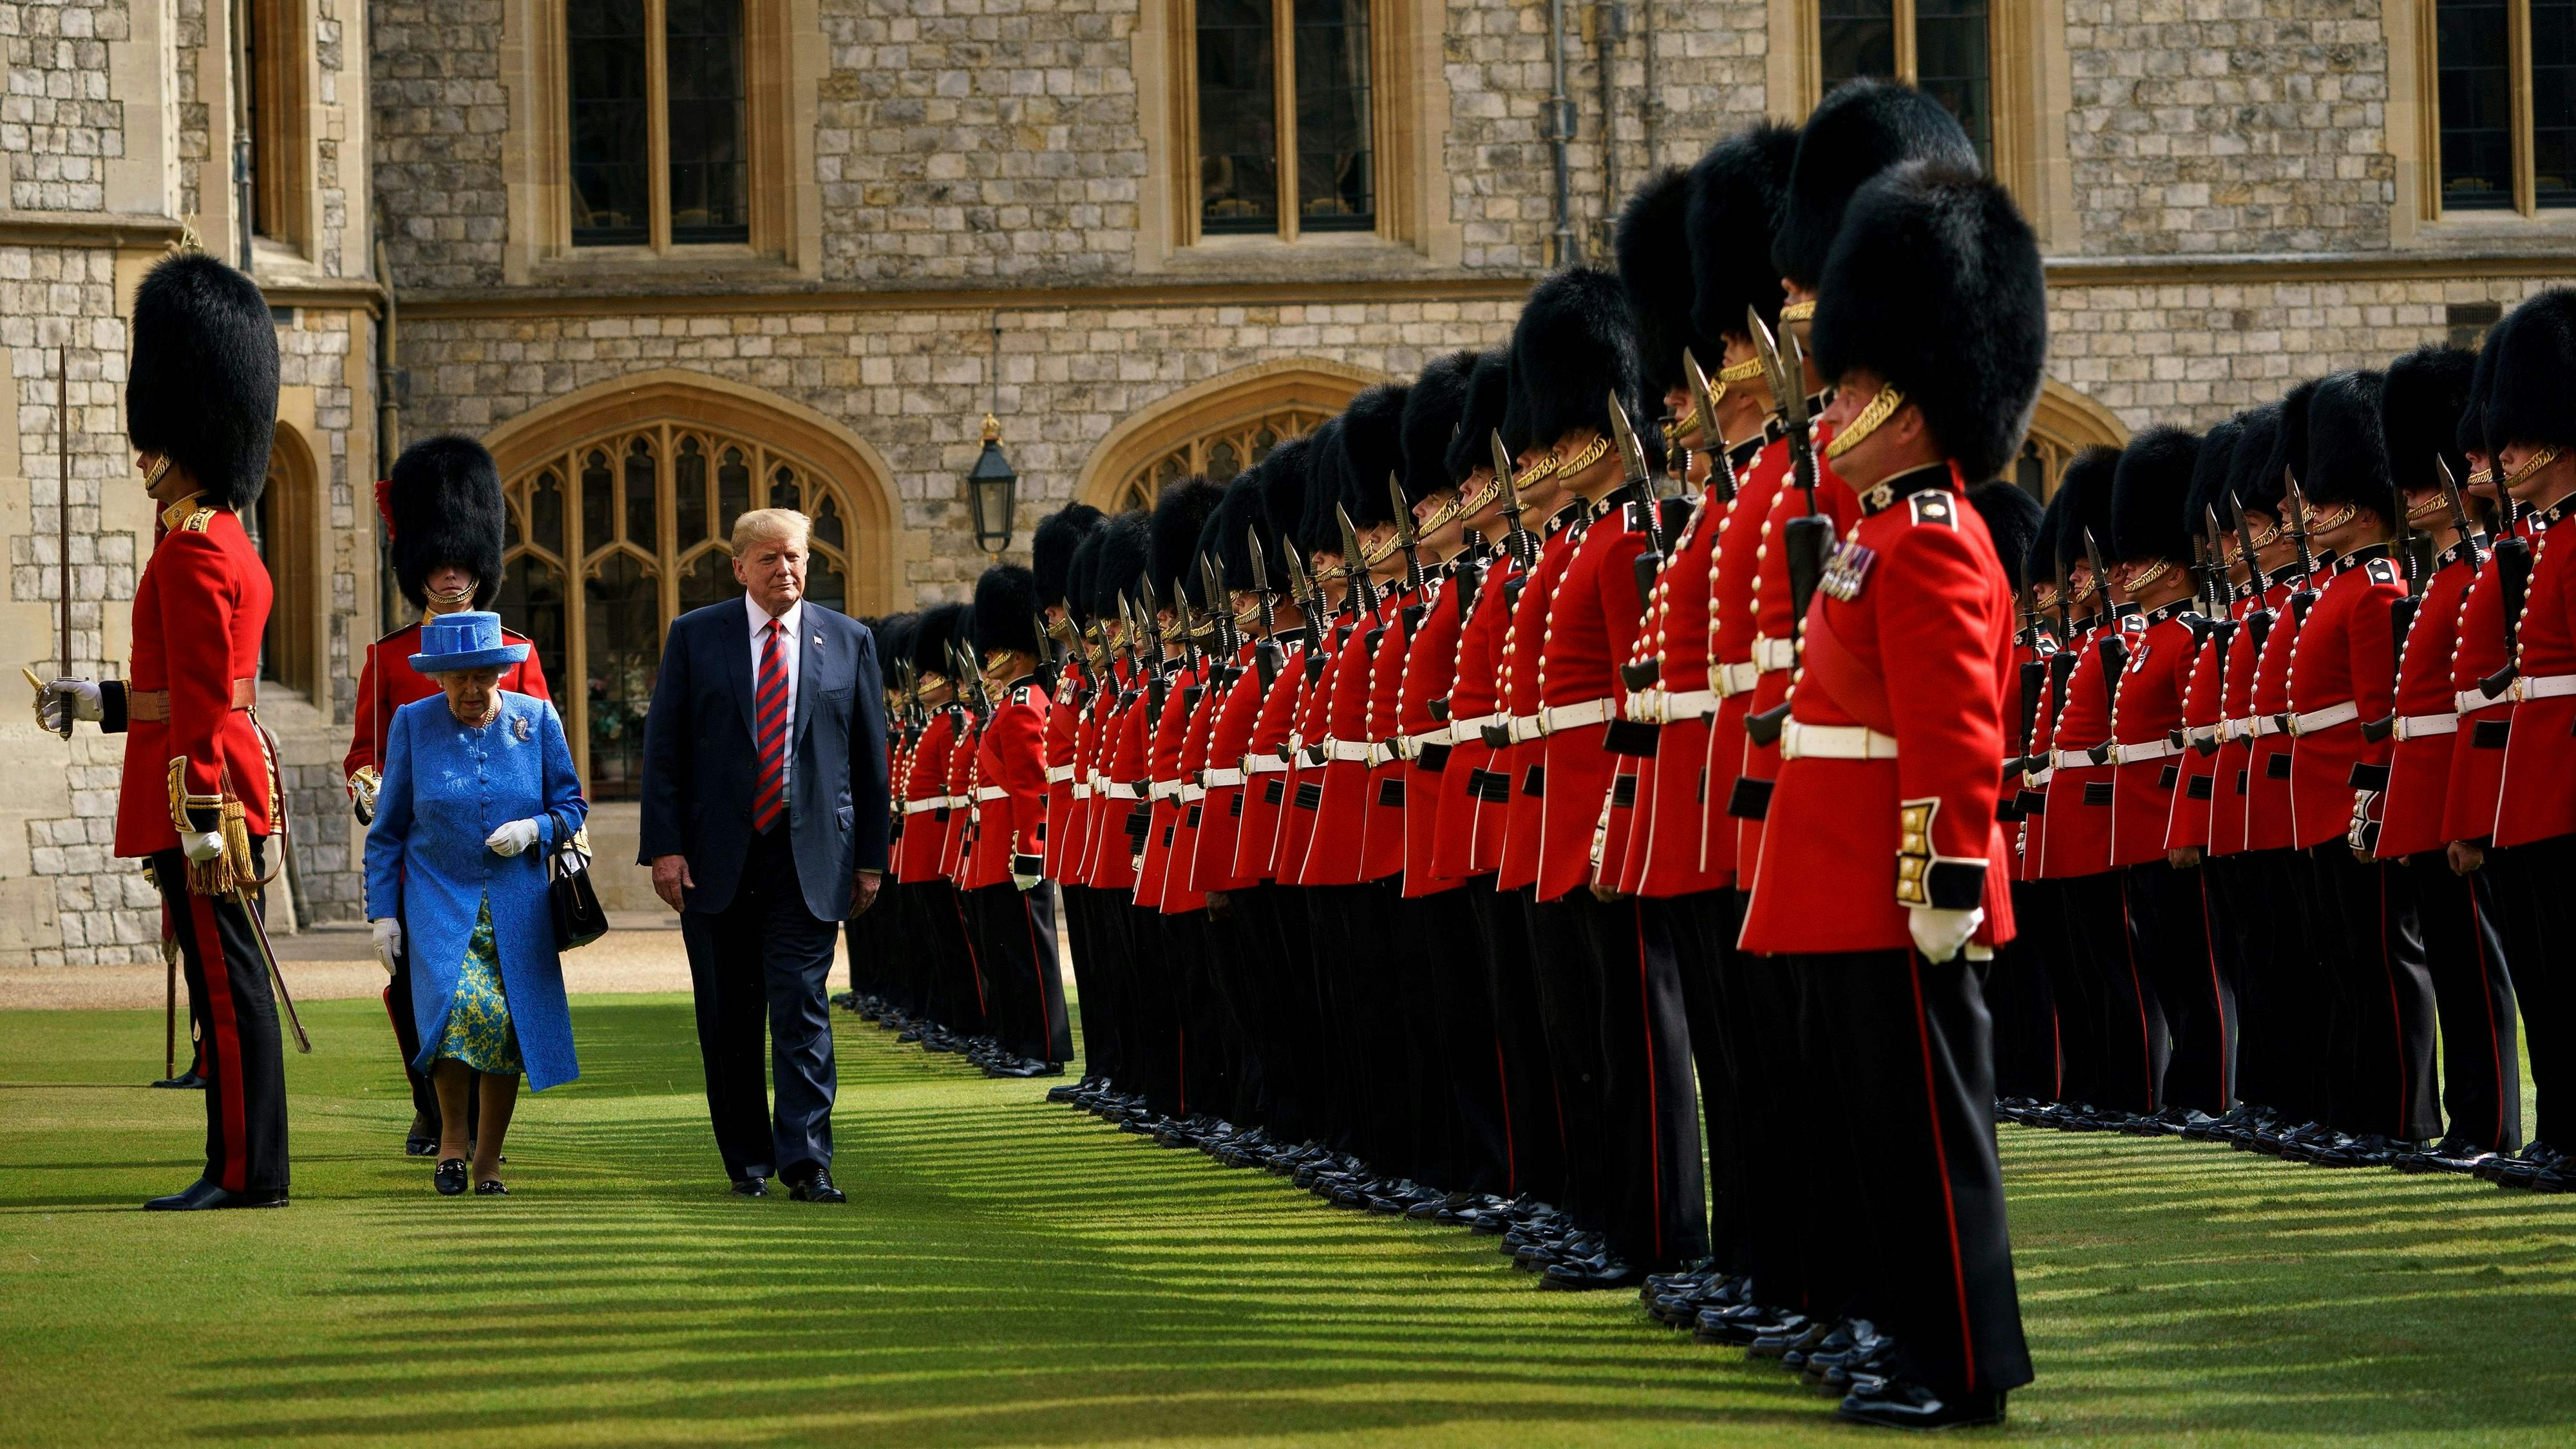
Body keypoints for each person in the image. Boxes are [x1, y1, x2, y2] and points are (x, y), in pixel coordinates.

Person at [1736, 155, 2047, 1428]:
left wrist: (1944, 880)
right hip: (1841, 879)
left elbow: (1953, 732)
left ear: (1911, 407)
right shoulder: (1875, 536)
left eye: (1854, 386)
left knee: (1930, 1144)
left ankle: (1961, 1360)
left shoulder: (1926, 540)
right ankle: (1913, 1336)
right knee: (1881, 1145)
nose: (1834, 404)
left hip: (1898, 884)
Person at [44, 254, 287, 1208]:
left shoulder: (190, 553)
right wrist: (99, 699)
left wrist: (196, 817)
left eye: (156, 446)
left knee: (227, 998)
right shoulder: (229, 540)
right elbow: (180, 689)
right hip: (223, 782)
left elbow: (196, 705)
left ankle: (243, 1173)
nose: (144, 459)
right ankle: (245, 1165)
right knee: (231, 991)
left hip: (206, 796)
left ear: (186, 438)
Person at [638, 507, 890, 1202]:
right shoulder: (695, 638)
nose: (787, 570)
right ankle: (746, 1160)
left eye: (798, 557)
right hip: (718, 857)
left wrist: (871, 857)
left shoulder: (849, 641)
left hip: (809, 855)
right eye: (772, 559)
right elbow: (664, 752)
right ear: (740, 566)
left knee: (802, 1006)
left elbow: (870, 761)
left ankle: (807, 1161)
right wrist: (665, 849)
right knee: (728, 1014)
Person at [348, 435, 554, 1157]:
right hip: (422, 857)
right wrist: (367, 787)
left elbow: (543, 749)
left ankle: (473, 1129)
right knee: (411, 989)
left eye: (460, 563)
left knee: (498, 992)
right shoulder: (389, 657)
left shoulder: (519, 657)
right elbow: (365, 753)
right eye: (436, 564)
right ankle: (429, 1105)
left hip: (503, 857)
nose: (448, 575)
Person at [363, 612, 586, 1195]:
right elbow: (387, 832)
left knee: (507, 1027)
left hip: (519, 905)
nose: (470, 691)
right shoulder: (412, 723)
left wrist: (535, 830)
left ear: (499, 673)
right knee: (456, 1016)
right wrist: (384, 913)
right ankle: (452, 1142)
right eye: (457, 679)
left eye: (481, 678)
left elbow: (572, 805)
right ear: (438, 679)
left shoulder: (535, 719)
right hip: (439, 901)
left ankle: (487, 1161)